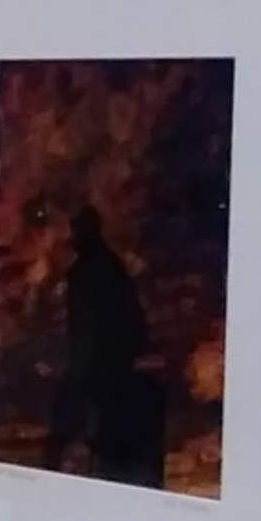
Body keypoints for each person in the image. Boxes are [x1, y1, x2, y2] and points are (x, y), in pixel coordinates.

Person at [47, 202, 167, 486]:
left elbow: (88, 325)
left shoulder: (89, 270)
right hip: (113, 360)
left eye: (76, 231)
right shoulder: (108, 265)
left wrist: (80, 367)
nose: (72, 238)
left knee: (90, 426)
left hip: (102, 363)